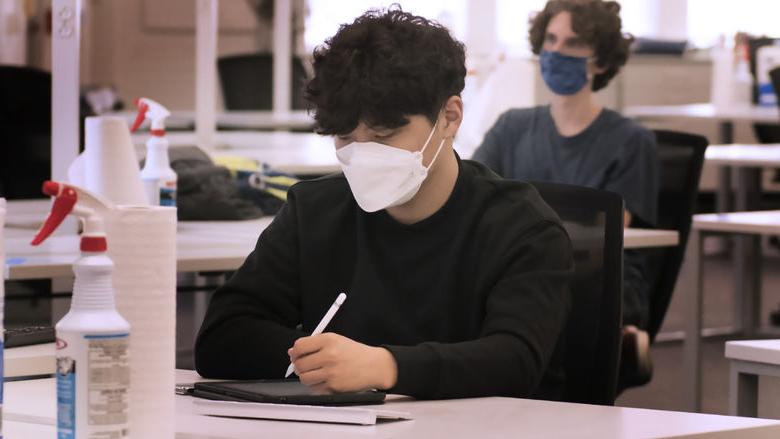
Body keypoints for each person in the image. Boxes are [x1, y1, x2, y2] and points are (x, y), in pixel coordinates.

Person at [195, 7, 574, 400]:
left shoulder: (521, 227)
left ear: (449, 117)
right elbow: (222, 337)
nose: (363, 155)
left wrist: (383, 366)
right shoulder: (314, 211)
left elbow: (516, 361)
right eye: (345, 137)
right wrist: (322, 361)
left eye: (385, 135)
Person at [472, 0, 659, 388]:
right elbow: (472, 200)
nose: (556, 52)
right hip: (520, 269)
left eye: (573, 43)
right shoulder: (512, 127)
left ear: (602, 61)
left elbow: (600, 238)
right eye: (551, 39)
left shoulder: (630, 141)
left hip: (599, 280)